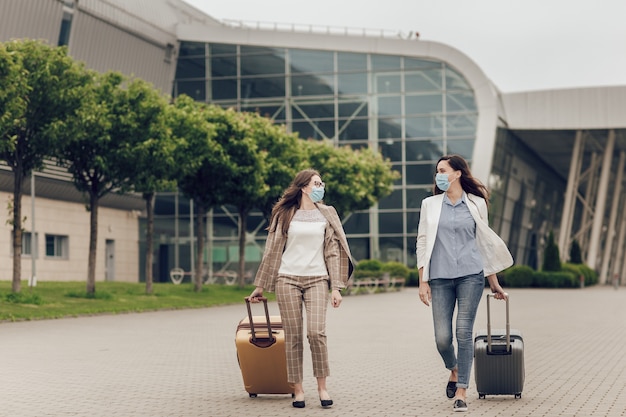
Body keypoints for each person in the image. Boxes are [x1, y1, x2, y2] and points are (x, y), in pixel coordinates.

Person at [248, 169, 354, 410]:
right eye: (317, 183)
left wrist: (336, 287)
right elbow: (272, 250)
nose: (321, 187)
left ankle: (322, 387)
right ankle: (297, 389)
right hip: (287, 279)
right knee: (293, 336)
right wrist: (260, 286)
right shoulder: (285, 213)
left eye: (321, 183)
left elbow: (333, 250)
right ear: (304, 187)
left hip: (317, 279)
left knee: (316, 333)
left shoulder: (327, 213)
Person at [416, 155, 513, 413]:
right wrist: (422, 280)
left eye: (442, 170)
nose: (438, 174)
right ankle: (455, 369)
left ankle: (462, 390)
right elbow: (423, 241)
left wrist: (493, 281)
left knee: (463, 332)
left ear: (457, 173)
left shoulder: (476, 204)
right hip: (439, 277)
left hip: (471, 275)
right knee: (443, 339)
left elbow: (484, 244)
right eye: (437, 171)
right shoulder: (430, 204)